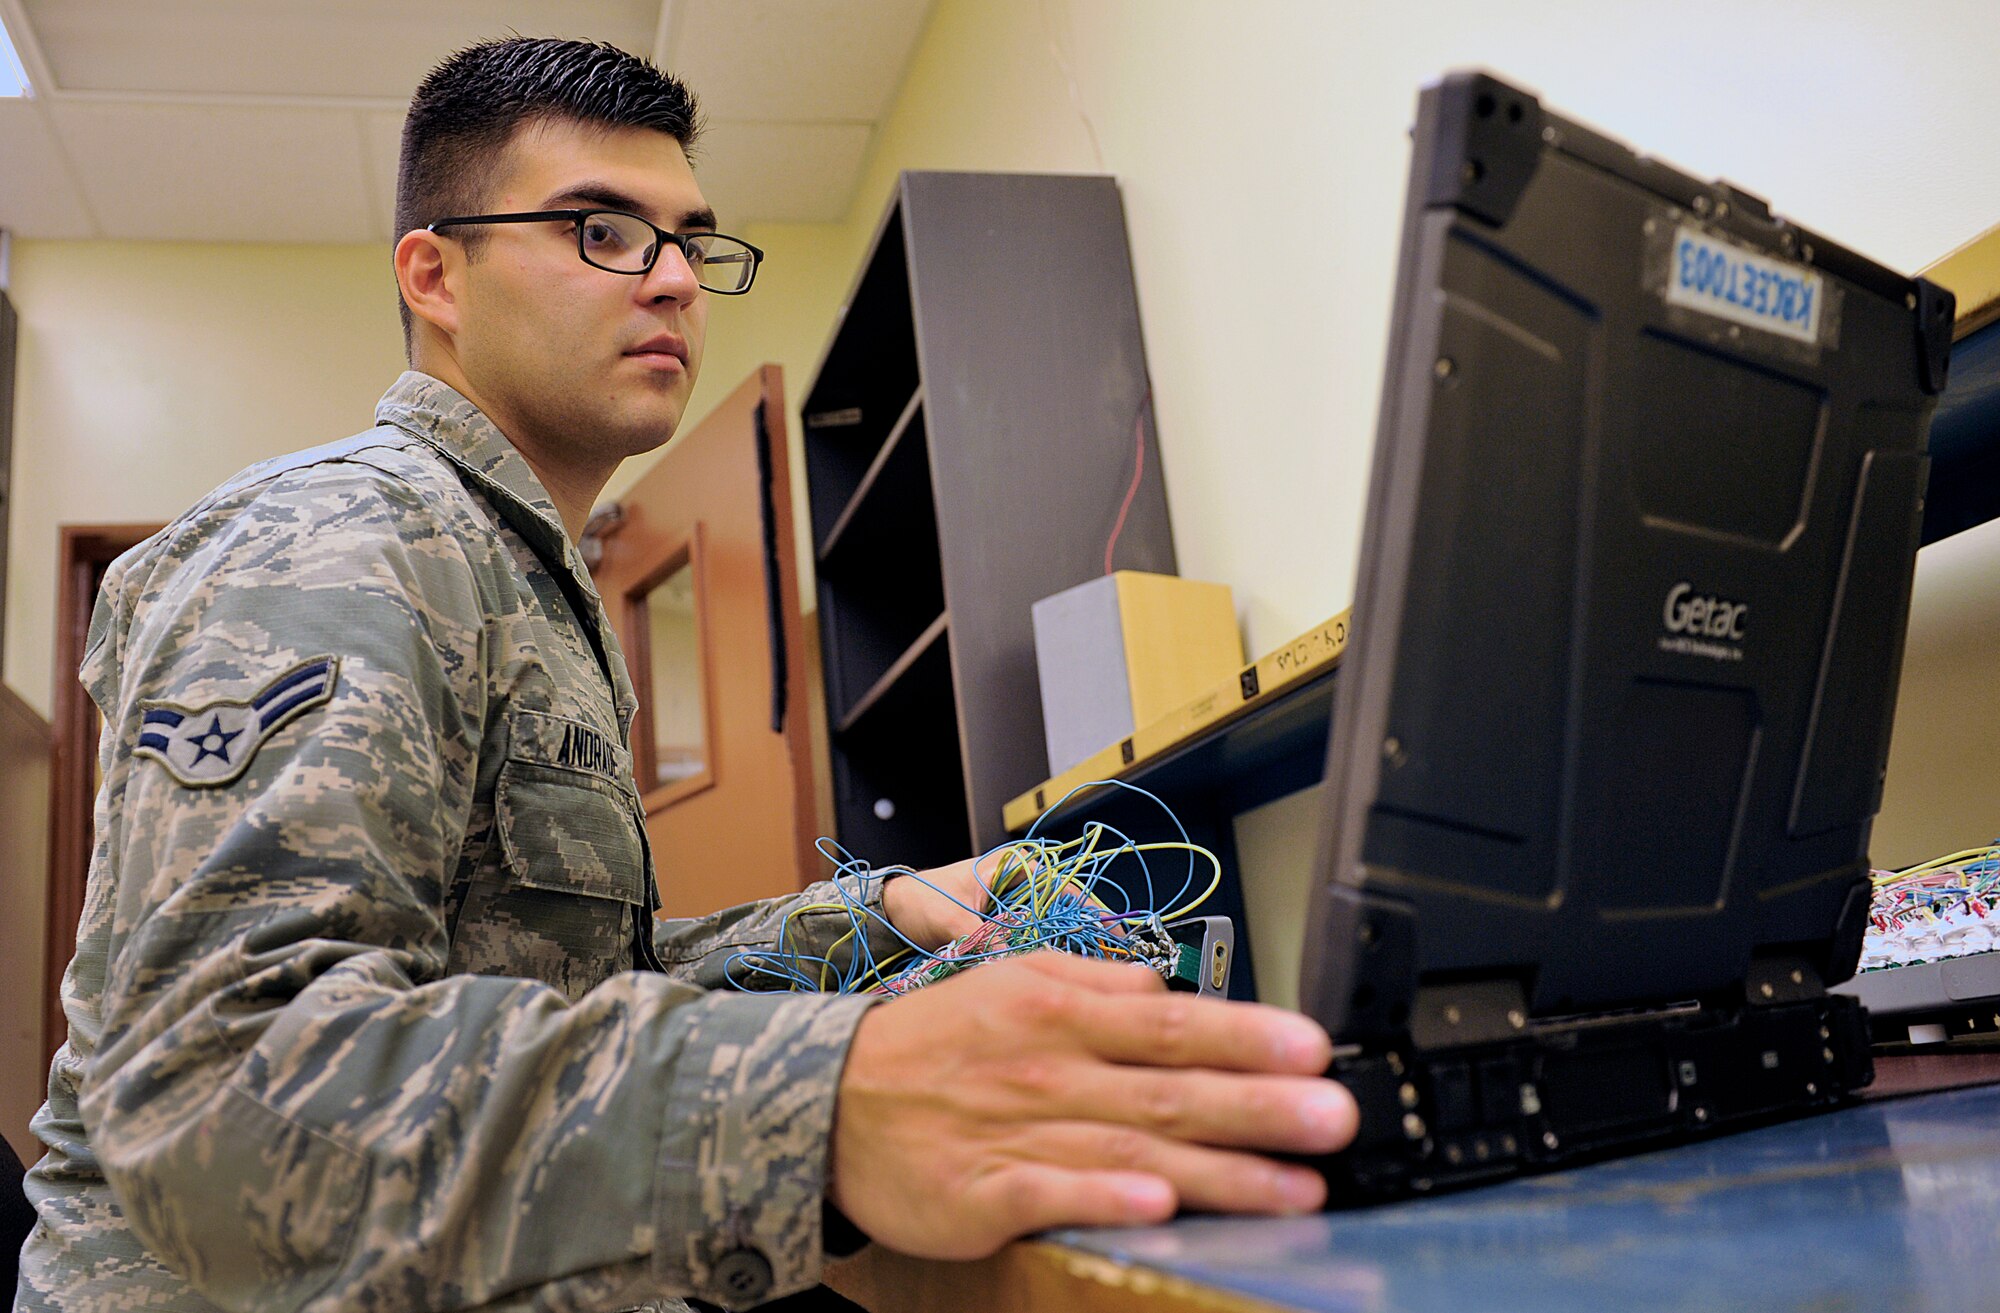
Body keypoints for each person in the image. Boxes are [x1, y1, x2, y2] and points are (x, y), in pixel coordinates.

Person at [15, 36, 1357, 1313]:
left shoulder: (524, 574)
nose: (669, 278)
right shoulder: (340, 544)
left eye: (690, 241)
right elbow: (217, 1095)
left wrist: (883, 911)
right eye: (603, 230)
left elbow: (572, 988)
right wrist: (823, 1101)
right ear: (435, 276)